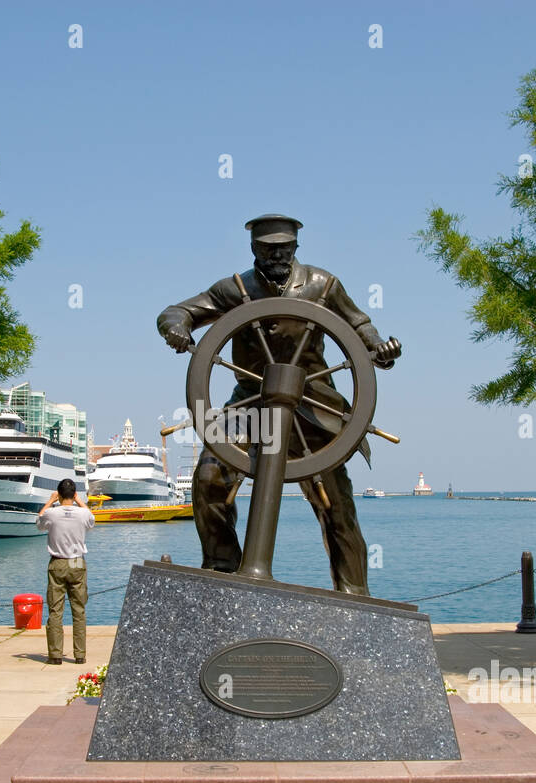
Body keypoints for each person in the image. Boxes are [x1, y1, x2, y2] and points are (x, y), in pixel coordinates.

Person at [156, 214, 402, 595]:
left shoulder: (323, 285)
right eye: (268, 249)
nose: (276, 256)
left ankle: (354, 595)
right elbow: (178, 311)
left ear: (296, 248)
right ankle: (223, 569)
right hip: (251, 406)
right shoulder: (236, 289)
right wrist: (177, 327)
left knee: (336, 505)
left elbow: (360, 327)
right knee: (208, 478)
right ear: (253, 249)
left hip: (315, 408)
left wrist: (379, 348)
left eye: (283, 249)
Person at [36, 478, 95, 665]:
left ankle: (55, 655)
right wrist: (79, 501)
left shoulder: (52, 513)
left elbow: (39, 521)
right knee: (79, 610)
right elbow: (91, 518)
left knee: (55, 610)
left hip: (58, 562)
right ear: (74, 494)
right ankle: (80, 655)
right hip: (77, 562)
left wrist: (50, 501)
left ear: (59, 494)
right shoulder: (82, 514)